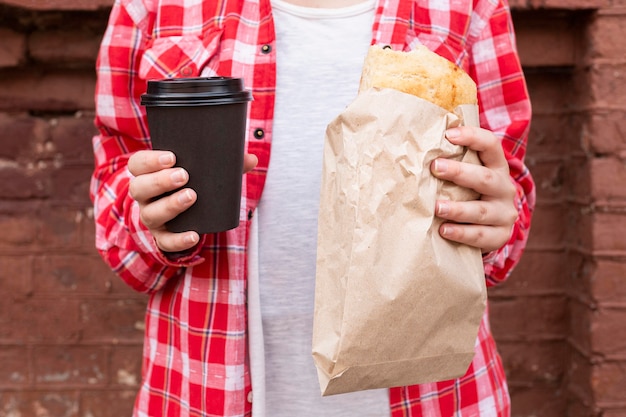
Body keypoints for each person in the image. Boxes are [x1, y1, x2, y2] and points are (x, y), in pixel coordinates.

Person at [90, 0, 535, 415]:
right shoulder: (153, 6)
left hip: (436, 394)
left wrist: (492, 222)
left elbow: (505, 195)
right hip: (203, 388)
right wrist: (153, 218)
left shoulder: (469, 6)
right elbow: (119, 219)